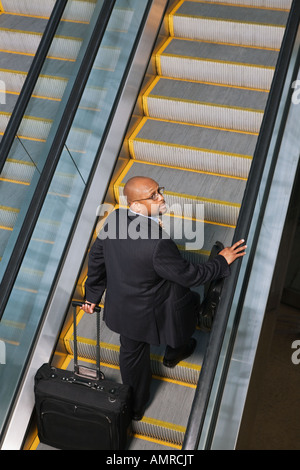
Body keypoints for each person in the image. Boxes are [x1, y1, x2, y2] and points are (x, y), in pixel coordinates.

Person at [81, 176, 246, 420]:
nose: (161, 197)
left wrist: (92, 294)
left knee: (131, 355)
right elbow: (190, 275)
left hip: (125, 309)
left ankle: (135, 409)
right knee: (185, 308)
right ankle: (175, 351)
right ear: (136, 206)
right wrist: (221, 261)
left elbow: (97, 257)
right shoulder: (157, 244)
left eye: (159, 190)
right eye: (153, 195)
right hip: (157, 306)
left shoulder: (115, 218)